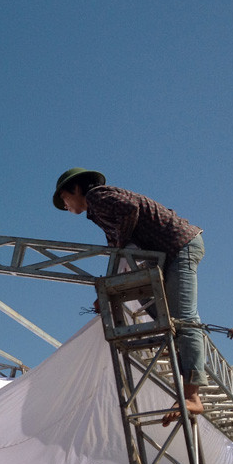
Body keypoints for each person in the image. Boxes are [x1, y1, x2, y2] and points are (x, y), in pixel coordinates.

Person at [53, 168, 205, 426]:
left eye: (64, 200)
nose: (66, 206)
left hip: (179, 247)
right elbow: (119, 254)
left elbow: (129, 210)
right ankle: (184, 368)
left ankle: (192, 396)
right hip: (165, 253)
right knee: (158, 309)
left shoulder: (97, 196)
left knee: (183, 318)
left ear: (74, 189)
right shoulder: (99, 211)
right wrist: (107, 289)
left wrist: (120, 245)